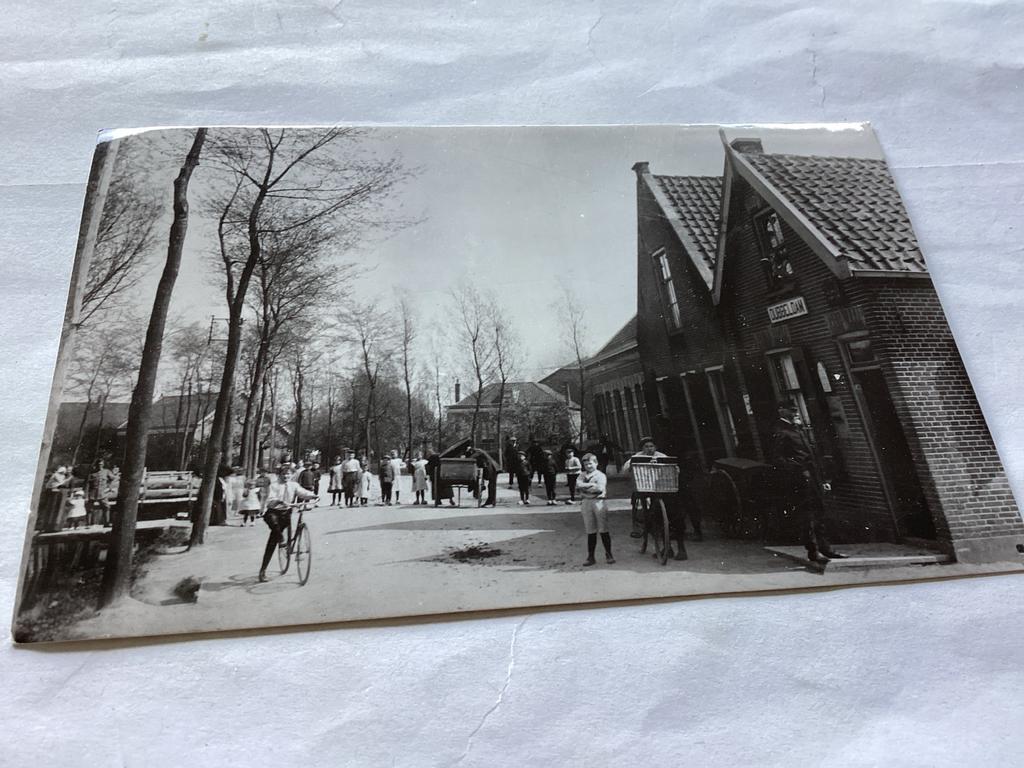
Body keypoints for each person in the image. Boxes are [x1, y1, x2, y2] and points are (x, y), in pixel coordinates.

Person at [769, 400, 846, 565]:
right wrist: (798, 470)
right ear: (781, 411)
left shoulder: (797, 429)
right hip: (800, 480)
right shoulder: (781, 432)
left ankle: (826, 549)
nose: (795, 412)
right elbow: (778, 458)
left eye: (796, 409)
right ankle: (813, 551)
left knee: (820, 512)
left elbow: (812, 456)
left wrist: (822, 478)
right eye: (791, 410)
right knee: (807, 516)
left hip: (813, 478)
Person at [624, 436, 687, 560]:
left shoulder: (661, 456)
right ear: (642, 448)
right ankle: (666, 547)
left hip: (665, 490)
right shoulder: (638, 456)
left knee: (675, 517)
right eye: (646, 446)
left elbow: (674, 468)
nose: (649, 449)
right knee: (655, 518)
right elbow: (625, 470)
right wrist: (631, 466)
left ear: (655, 447)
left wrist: (674, 469)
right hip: (648, 490)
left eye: (651, 446)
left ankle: (681, 548)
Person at [258, 466, 317, 583]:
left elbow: (302, 492)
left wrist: (313, 495)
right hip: (273, 512)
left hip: (286, 513)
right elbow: (270, 499)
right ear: (279, 475)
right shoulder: (274, 486)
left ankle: (285, 542)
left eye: (288, 474)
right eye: (283, 474)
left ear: (291, 475)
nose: (286, 476)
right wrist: (279, 501)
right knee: (275, 533)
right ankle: (263, 571)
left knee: (284, 529)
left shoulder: (293, 485)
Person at [576, 453, 613, 566]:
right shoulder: (581, 475)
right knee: (590, 530)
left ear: (596, 463)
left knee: (603, 529)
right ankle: (591, 556)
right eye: (586, 464)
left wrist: (585, 488)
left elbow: (599, 489)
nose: (588, 466)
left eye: (591, 464)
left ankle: (609, 554)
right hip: (586, 503)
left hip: (599, 502)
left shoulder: (600, 475)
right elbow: (578, 486)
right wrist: (590, 487)